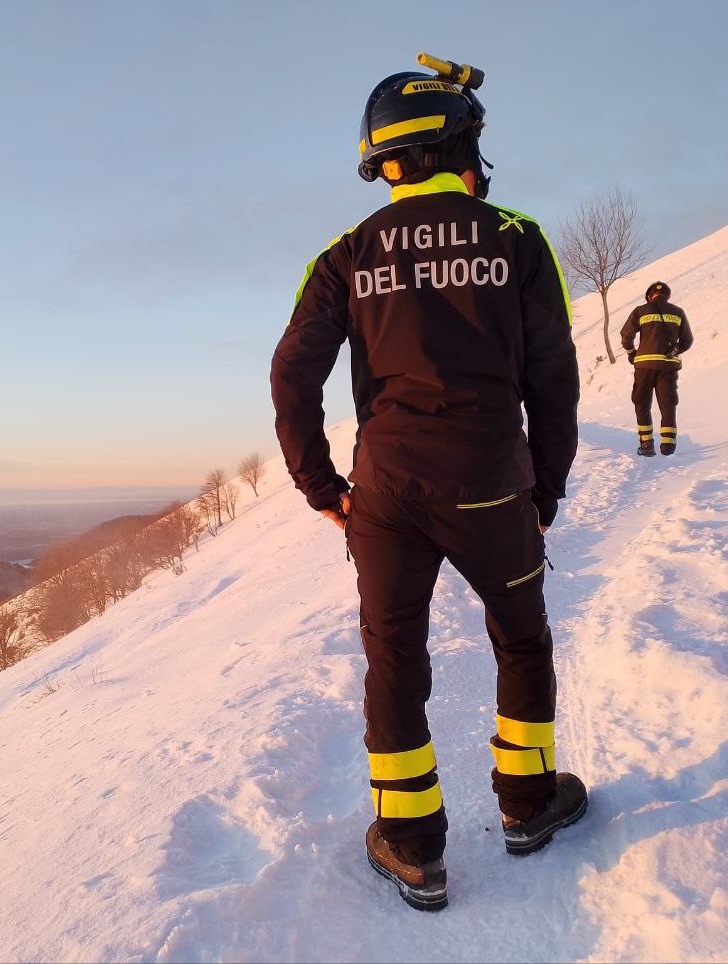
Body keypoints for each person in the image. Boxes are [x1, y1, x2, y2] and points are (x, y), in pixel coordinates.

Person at [270, 58, 586, 912]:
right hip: (491, 485)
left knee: (394, 656)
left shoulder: (344, 255)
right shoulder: (517, 237)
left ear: (388, 161)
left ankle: (412, 847)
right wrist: (545, 489)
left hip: (386, 495)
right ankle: (528, 804)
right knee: (520, 640)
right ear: (457, 144)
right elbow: (554, 378)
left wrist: (320, 486)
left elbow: (292, 374)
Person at [619, 281, 694, 456]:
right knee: (668, 403)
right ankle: (668, 444)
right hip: (668, 365)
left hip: (644, 364)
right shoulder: (678, 312)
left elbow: (626, 335)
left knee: (642, 402)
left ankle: (647, 444)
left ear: (649, 296)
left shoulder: (640, 310)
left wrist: (631, 353)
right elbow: (687, 340)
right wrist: (674, 351)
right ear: (667, 296)